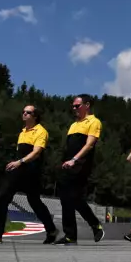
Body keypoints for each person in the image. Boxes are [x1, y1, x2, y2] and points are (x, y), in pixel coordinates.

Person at [0, 104, 58, 244]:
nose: (24, 114)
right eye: (23, 112)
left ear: (35, 116)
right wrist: (18, 163)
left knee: (34, 202)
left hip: (32, 171)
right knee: (3, 196)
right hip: (19, 170)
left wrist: (20, 162)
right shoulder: (22, 132)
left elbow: (37, 152)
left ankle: (51, 230)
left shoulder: (40, 131)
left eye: (28, 112)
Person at [54, 95, 105, 246]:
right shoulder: (73, 124)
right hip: (68, 164)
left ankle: (93, 226)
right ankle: (72, 235)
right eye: (73, 106)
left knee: (73, 197)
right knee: (67, 199)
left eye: (77, 105)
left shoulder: (94, 122)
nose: (74, 108)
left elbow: (89, 145)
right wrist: (64, 161)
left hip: (81, 164)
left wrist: (74, 160)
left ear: (87, 105)